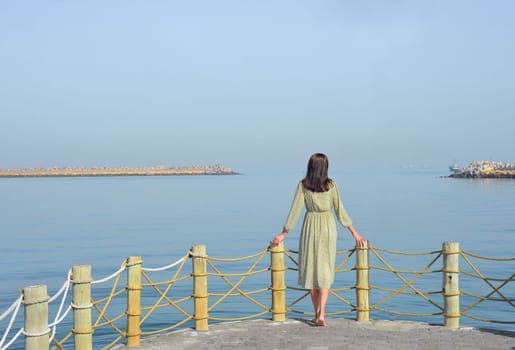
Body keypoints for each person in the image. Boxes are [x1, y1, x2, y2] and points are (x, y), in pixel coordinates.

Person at [270, 153, 366, 327]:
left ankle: (317, 313)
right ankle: (321, 313)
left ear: (310, 167)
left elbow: (295, 212)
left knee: (310, 271)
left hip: (310, 228)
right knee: (325, 270)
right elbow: (340, 211)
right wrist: (355, 233)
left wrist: (283, 233)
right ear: (325, 168)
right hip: (328, 228)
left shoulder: (303, 186)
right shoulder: (332, 185)